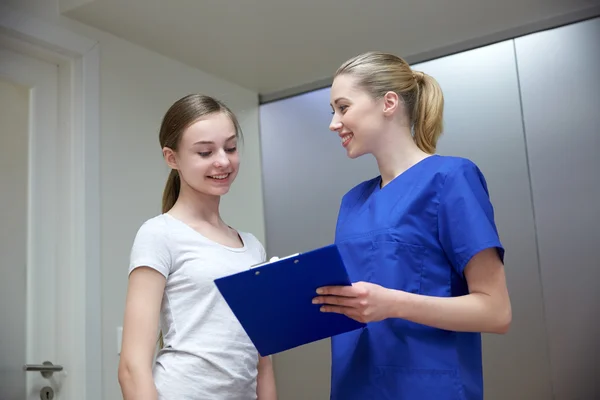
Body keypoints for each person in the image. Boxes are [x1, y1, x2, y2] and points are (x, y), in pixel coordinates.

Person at [311, 52, 512, 400]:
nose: (334, 123)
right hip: (353, 386)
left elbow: (496, 312)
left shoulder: (450, 178)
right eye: (333, 111)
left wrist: (393, 304)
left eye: (343, 107)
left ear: (388, 103)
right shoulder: (352, 202)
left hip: (428, 386)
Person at [118, 94, 277, 400]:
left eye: (230, 147)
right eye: (205, 152)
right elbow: (131, 367)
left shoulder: (252, 247)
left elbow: (263, 360)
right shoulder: (159, 234)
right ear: (172, 158)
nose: (223, 160)